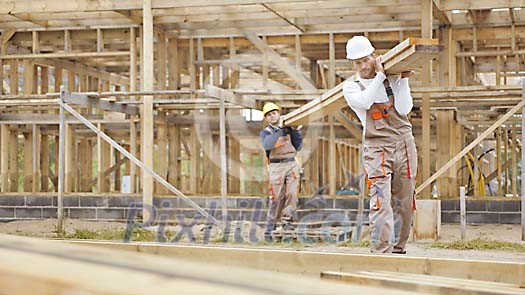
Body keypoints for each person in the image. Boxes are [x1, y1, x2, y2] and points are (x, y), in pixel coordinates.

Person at [342, 36, 417, 254]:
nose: (364, 66)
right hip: (377, 148)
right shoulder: (351, 87)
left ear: (374, 56)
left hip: (404, 143)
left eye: (366, 59)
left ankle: (399, 247)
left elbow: (404, 109)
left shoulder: (392, 79)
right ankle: (381, 250)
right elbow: (365, 102)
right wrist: (381, 75)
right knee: (379, 201)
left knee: (404, 200)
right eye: (358, 63)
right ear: (352, 64)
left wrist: (403, 80)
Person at [259, 102, 303, 241]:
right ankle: (271, 226)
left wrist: (295, 131)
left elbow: (299, 146)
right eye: (269, 115)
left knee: (292, 194)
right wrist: (279, 129)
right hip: (276, 166)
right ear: (266, 118)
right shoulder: (266, 133)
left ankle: (287, 222)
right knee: (276, 197)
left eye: (274, 113)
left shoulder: (289, 129)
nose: (272, 116)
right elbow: (268, 144)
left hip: (290, 163)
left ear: (278, 113)